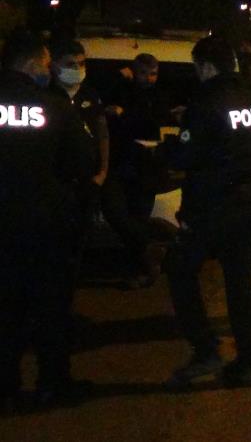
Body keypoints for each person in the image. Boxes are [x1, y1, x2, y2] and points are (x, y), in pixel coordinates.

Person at [162, 36, 251, 388]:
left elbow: (185, 158)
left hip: (211, 208)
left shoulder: (205, 101)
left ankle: (206, 348)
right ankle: (248, 362)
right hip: (250, 204)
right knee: (241, 286)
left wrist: (171, 145)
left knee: (178, 270)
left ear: (207, 67)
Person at [1, 30, 96, 409]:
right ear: (28, 64)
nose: (48, 70)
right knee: (50, 308)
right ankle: (52, 383)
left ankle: (5, 388)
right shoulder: (55, 107)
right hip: (45, 224)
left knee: (4, 308)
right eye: (44, 63)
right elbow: (82, 163)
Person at [103, 53, 174, 288]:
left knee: (138, 218)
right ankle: (149, 251)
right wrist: (117, 79)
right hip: (118, 164)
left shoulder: (159, 95)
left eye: (153, 73)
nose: (149, 78)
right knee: (116, 213)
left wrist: (125, 115)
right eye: (144, 73)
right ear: (134, 71)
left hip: (146, 168)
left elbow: (153, 121)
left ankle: (142, 270)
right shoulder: (122, 89)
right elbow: (102, 104)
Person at [48, 39, 110, 255]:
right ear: (55, 65)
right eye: (71, 64)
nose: (78, 69)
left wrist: (102, 172)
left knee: (80, 236)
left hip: (87, 179)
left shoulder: (90, 94)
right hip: (57, 181)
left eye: (82, 64)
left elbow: (102, 133)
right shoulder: (46, 95)